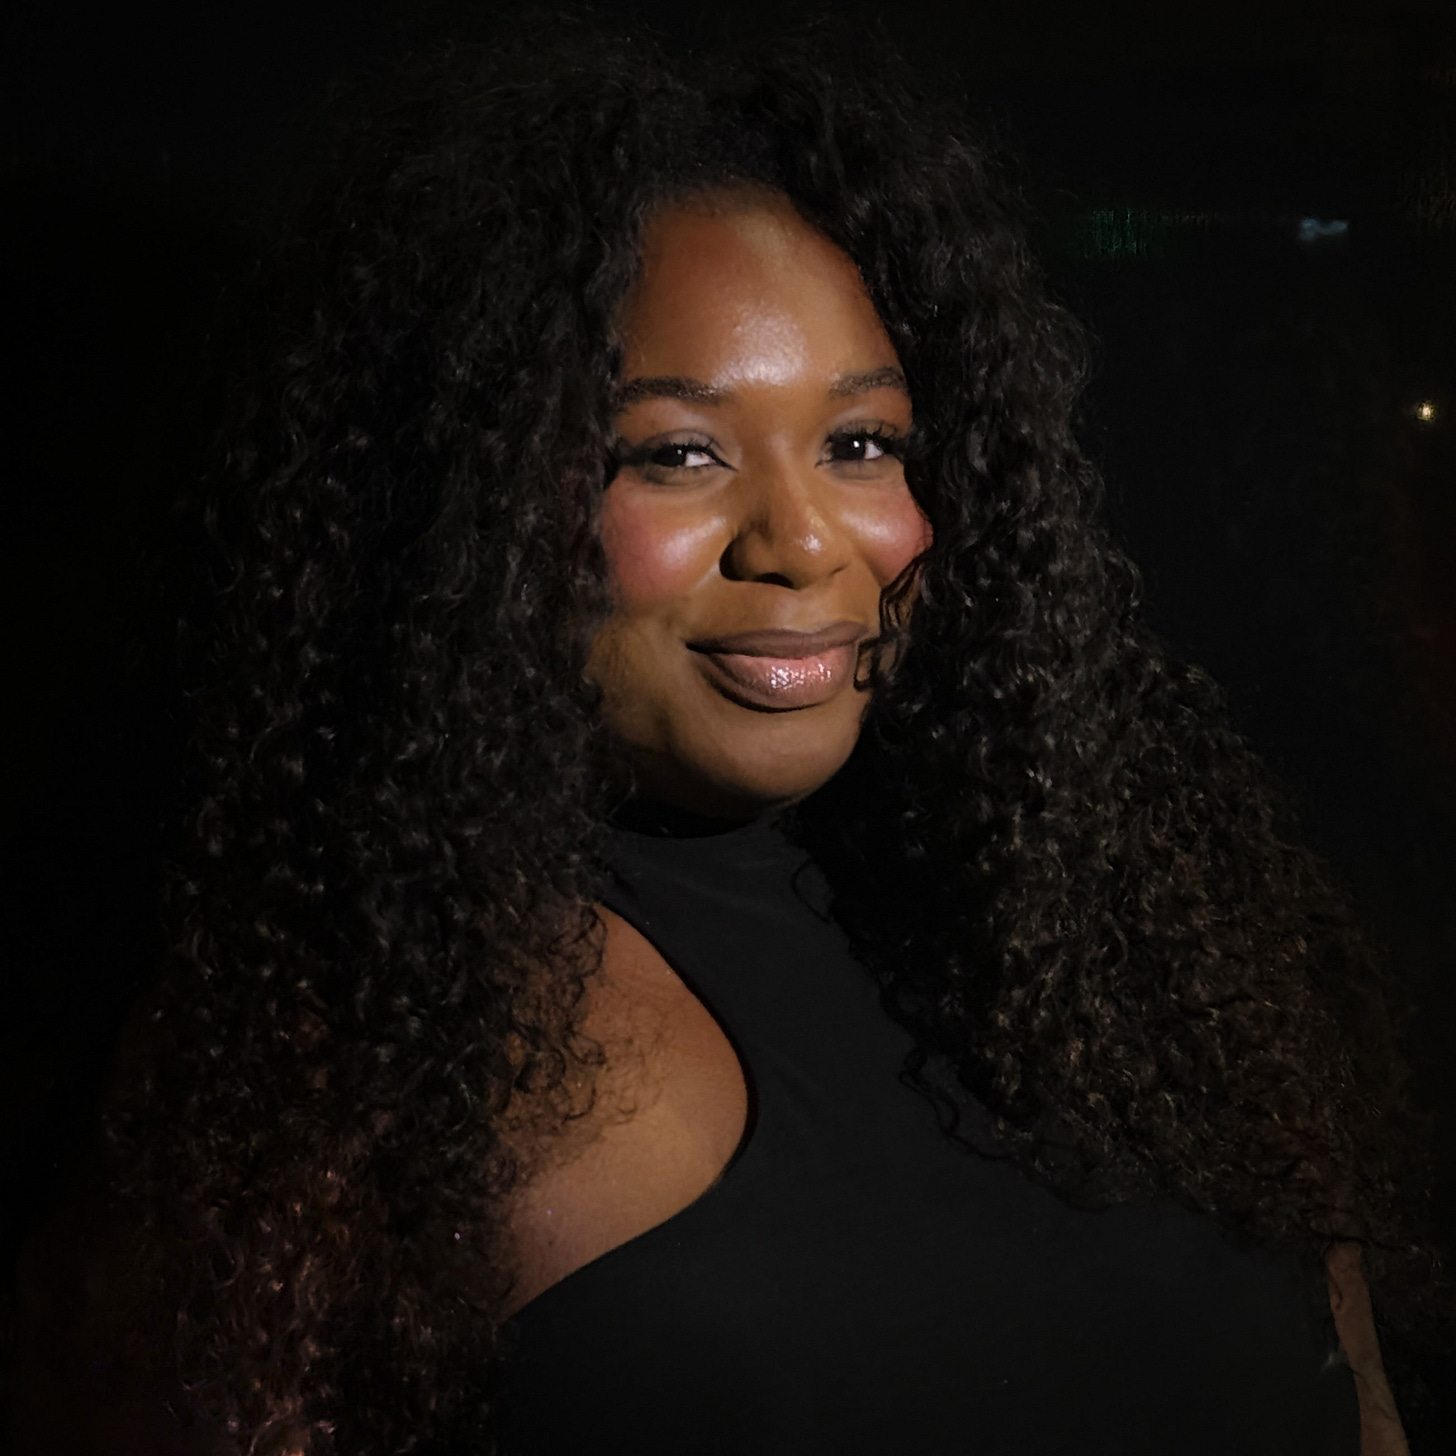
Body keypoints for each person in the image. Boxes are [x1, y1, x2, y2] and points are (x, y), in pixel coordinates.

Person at [5, 20, 1443, 1456]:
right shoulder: (356, 1057)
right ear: (466, 495)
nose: (804, 542)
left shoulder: (1142, 934)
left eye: (862, 443)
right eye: (674, 453)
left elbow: (1358, 1406)